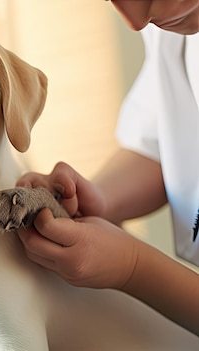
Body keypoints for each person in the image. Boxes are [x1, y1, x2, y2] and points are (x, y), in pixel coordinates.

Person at [15, 0, 199, 336]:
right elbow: (166, 141)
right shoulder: (178, 26)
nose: (136, 21)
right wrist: (96, 200)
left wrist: (133, 268)